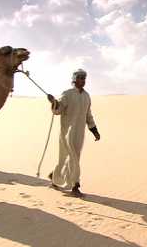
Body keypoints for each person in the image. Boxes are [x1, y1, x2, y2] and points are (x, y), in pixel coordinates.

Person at [46, 69, 100, 197]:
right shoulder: (68, 94)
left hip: (79, 133)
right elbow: (58, 109)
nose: (83, 80)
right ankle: (75, 185)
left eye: (84, 78)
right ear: (75, 79)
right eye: (81, 78)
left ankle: (55, 175)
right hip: (67, 131)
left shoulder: (86, 96)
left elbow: (88, 115)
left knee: (72, 157)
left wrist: (94, 130)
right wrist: (54, 103)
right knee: (71, 157)